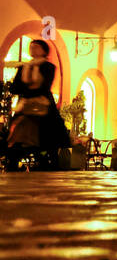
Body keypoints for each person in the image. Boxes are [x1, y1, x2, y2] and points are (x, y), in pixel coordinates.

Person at [4, 38, 70, 170]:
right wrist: (26, 88)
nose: (33, 49)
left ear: (44, 50)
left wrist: (27, 88)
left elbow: (45, 86)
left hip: (43, 106)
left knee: (46, 137)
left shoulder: (48, 67)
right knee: (17, 136)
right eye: (31, 46)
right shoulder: (24, 67)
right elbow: (15, 87)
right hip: (24, 106)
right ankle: (12, 166)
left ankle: (47, 164)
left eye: (36, 47)